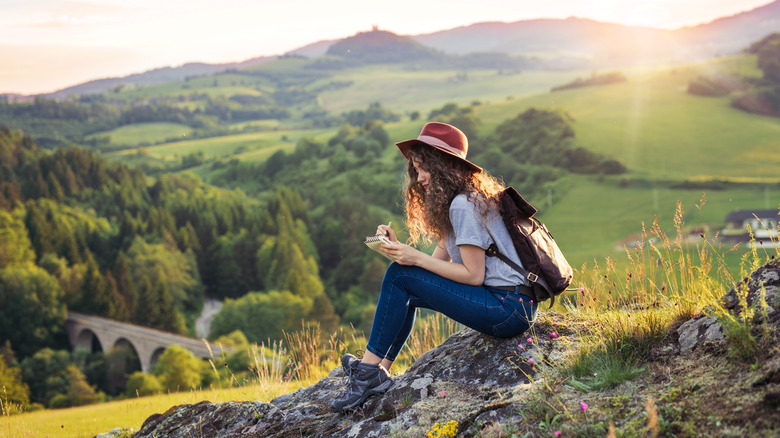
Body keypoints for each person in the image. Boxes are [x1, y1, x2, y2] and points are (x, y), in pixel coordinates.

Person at [330, 122, 537, 413]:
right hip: (509, 303)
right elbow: (433, 268)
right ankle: (378, 370)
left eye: (425, 168)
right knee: (403, 283)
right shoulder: (458, 201)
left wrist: (412, 260)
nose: (419, 177)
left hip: (508, 308)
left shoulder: (463, 206)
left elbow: (473, 276)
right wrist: (399, 251)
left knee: (401, 277)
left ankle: (367, 372)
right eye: (415, 169)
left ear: (445, 166)